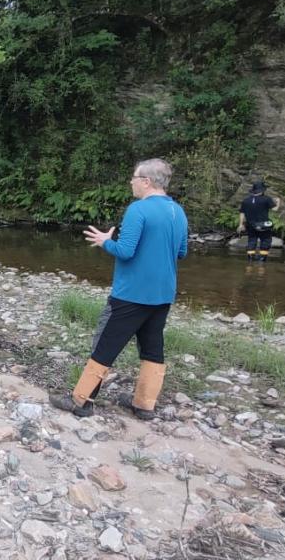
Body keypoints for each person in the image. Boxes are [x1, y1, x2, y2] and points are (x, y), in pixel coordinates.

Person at [50, 159, 188, 420]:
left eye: (134, 178)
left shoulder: (138, 209)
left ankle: (81, 402)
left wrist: (105, 242)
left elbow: (125, 251)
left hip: (131, 294)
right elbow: (181, 252)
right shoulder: (177, 211)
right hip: (163, 294)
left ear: (146, 181)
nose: (131, 182)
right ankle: (144, 405)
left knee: (105, 344)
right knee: (152, 348)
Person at [238, 180, 281, 262]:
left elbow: (242, 213)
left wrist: (240, 224)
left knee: (251, 240)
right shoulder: (266, 199)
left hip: (250, 225)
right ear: (262, 190)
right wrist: (278, 202)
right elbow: (275, 209)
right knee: (265, 241)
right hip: (263, 226)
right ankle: (262, 259)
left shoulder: (245, 200)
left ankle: (250, 259)